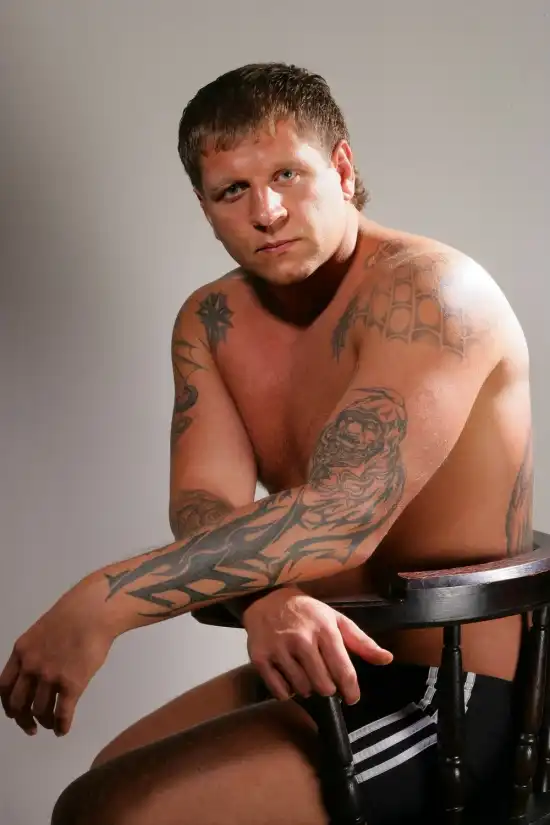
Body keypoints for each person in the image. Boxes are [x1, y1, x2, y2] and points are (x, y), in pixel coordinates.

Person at [0, 62, 533, 825]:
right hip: (318, 667)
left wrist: (103, 601)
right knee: (100, 782)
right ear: (205, 207)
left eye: (288, 174)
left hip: (456, 695)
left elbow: (344, 515)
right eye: (233, 190)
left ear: (341, 168)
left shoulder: (432, 293)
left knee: (112, 811)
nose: (268, 211)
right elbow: (203, 500)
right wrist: (268, 596)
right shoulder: (210, 320)